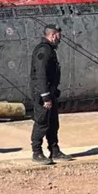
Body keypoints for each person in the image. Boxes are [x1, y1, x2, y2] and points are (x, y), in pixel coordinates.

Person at [30, 25, 72, 165]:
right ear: (53, 35)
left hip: (50, 92)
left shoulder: (49, 50)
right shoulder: (43, 51)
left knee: (53, 123)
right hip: (43, 94)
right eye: (58, 38)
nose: (59, 41)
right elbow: (40, 75)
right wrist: (45, 96)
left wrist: (53, 92)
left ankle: (54, 150)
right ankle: (37, 152)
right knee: (42, 122)